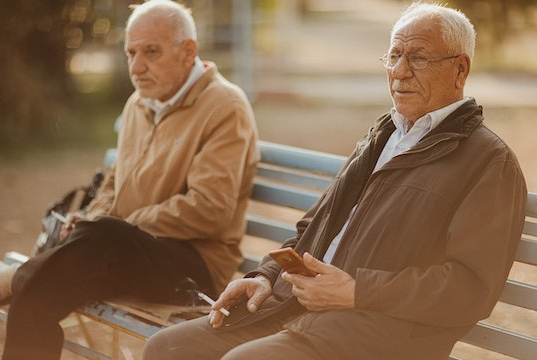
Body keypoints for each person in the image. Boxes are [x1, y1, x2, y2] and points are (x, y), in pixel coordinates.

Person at [141, 3, 527, 360]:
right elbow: (314, 225)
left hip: (375, 333)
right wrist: (266, 276)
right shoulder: (383, 135)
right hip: (295, 310)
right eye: (394, 56)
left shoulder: (489, 161)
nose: (400, 71)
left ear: (460, 69)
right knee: (168, 347)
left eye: (419, 57)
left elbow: (469, 288)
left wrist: (357, 291)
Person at [0, 0, 259, 359]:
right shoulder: (138, 103)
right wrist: (92, 217)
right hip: (117, 252)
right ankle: (28, 281)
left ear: (188, 52)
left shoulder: (225, 106)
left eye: (151, 52)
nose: (137, 66)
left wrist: (115, 224)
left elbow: (210, 209)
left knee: (98, 239)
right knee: (37, 296)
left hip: (194, 268)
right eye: (131, 53)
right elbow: (114, 183)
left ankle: (15, 276)